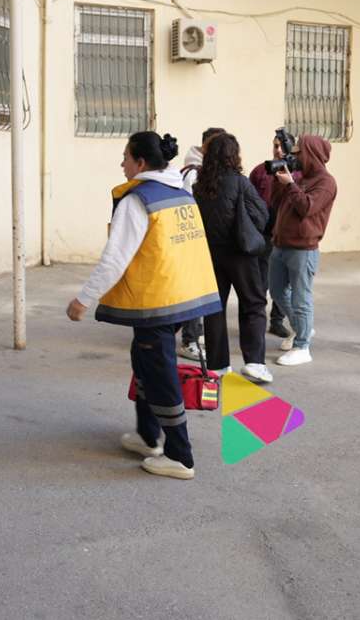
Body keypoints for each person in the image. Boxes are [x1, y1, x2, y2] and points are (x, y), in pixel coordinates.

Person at [67, 131, 221, 480]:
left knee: (160, 374)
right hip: (182, 295)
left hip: (157, 301)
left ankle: (180, 456)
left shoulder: (138, 200)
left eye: (125, 157)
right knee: (144, 361)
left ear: (140, 162)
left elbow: (115, 258)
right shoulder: (180, 192)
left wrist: (83, 299)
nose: (122, 163)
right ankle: (147, 435)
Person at [191, 132, 271, 383]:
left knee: (214, 308)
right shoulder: (240, 182)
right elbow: (261, 215)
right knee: (253, 305)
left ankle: (218, 365)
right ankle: (255, 363)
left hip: (211, 254)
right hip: (241, 253)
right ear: (233, 155)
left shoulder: (199, 186)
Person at [269, 134, 337, 366]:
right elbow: (276, 203)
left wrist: (291, 185)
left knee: (301, 298)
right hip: (281, 244)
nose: (295, 156)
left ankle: (302, 347)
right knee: (277, 291)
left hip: (303, 249)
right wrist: (282, 181)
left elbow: (307, 208)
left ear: (311, 154)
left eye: (299, 152)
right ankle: (302, 328)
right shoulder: (300, 178)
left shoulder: (326, 182)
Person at [177, 126, 224, 362]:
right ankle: (190, 340)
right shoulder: (194, 174)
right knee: (194, 291)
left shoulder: (204, 170)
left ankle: (193, 333)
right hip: (195, 240)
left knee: (199, 289)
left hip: (202, 239)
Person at [250, 129, 297, 338]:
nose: (277, 150)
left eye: (281, 146)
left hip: (288, 235)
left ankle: (277, 321)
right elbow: (249, 199)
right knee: (262, 281)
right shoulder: (261, 171)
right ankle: (257, 321)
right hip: (265, 234)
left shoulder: (298, 172)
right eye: (275, 145)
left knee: (284, 283)